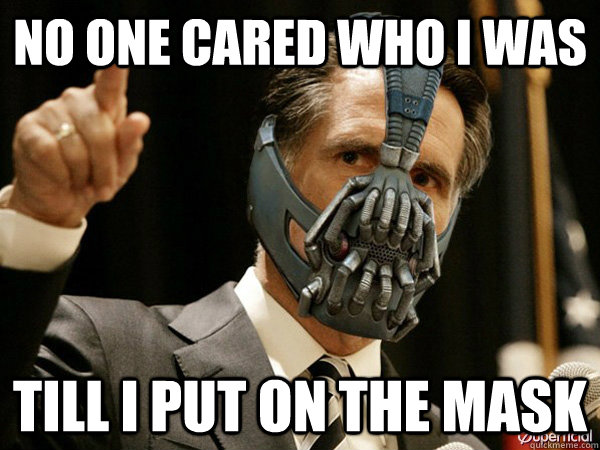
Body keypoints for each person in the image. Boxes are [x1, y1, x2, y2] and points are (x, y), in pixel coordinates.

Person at [0, 35, 492, 449]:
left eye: (425, 178)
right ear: (273, 170)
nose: (391, 210)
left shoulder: (449, 443)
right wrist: (39, 222)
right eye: (354, 157)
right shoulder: (111, 363)